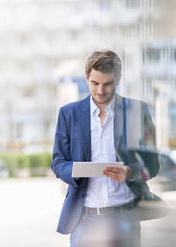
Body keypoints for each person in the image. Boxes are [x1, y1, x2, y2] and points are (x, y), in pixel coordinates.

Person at [51, 49, 159, 247]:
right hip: (85, 219)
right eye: (95, 83)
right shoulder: (69, 114)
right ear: (86, 78)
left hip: (125, 216)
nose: (101, 91)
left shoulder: (137, 111)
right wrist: (75, 171)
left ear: (118, 79)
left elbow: (153, 164)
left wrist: (131, 172)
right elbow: (58, 162)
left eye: (108, 84)